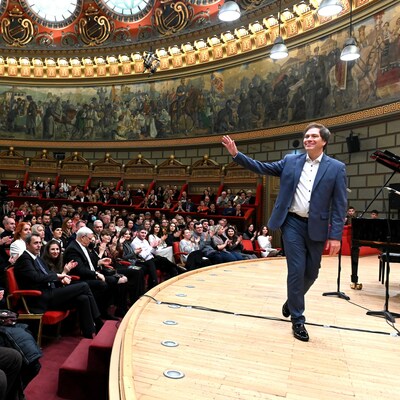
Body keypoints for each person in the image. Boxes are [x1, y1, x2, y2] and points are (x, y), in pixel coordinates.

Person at [222, 122, 347, 342]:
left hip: (316, 226)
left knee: (312, 272)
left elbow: (339, 204)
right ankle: (298, 320)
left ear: (324, 141)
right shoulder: (291, 161)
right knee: (296, 270)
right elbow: (261, 167)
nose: (308, 139)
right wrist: (236, 155)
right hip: (292, 224)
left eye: (314, 136)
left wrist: (335, 236)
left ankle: (292, 302)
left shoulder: (336, 168)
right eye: (307, 136)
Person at [14, 233, 103, 338]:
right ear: (27, 244)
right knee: (83, 286)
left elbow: (47, 274)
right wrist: (58, 276)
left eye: (39, 243)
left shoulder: (37, 258)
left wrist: (60, 279)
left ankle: (89, 333)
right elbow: (36, 277)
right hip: (39, 298)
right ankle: (98, 321)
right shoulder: (25, 259)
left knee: (82, 298)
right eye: (35, 243)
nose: (39, 245)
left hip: (49, 292)